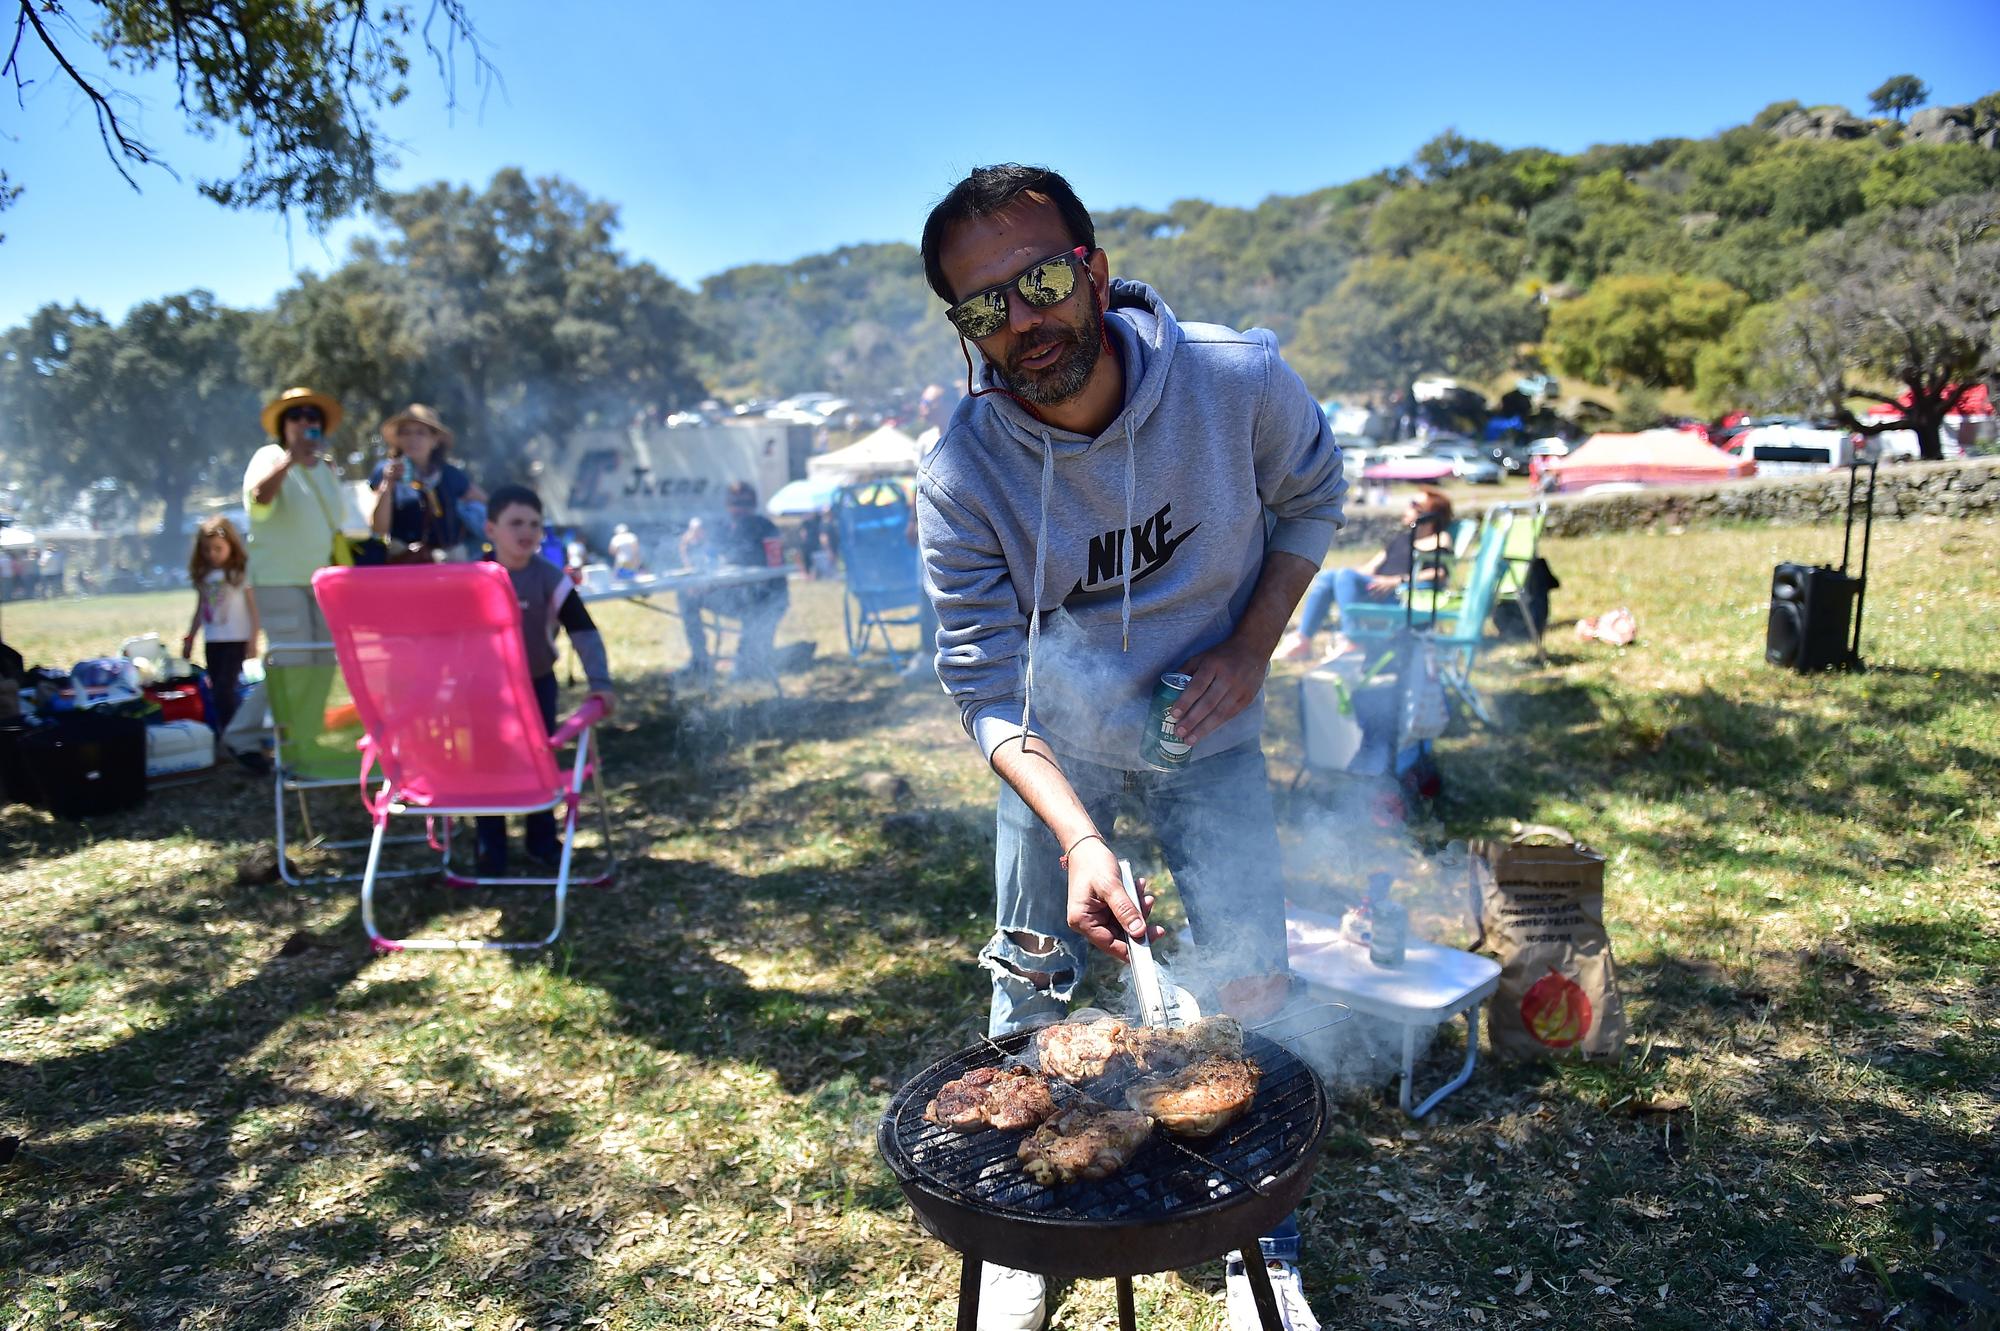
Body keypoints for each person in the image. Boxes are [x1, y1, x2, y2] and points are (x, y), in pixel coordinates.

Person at [915, 164, 1345, 1331]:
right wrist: (1081, 834)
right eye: (982, 305)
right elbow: (983, 686)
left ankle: (1264, 1227)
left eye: (1040, 278)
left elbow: (1312, 495)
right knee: (1027, 974)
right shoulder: (961, 471)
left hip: (1210, 717)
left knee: (1252, 965)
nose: (1021, 319)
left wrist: (1251, 649)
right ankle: (1022, 1224)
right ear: (962, 330)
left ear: (1093, 269)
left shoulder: (1232, 379)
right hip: (1061, 746)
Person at [477, 484, 616, 876]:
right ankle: (490, 849)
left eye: (535, 524)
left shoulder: (550, 579)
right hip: (482, 693)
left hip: (536, 684)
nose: (526, 531)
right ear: (491, 529)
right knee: (487, 769)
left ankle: (542, 842)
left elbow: (584, 632)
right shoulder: (472, 576)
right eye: (515, 522)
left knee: (537, 761)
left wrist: (600, 682)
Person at [243, 386, 350, 769]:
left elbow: (339, 522)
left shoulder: (324, 469)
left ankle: (303, 738)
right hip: (278, 580)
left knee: (323, 662)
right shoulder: (269, 457)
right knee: (293, 660)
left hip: (320, 582)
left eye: (313, 418)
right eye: (297, 416)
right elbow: (259, 501)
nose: (307, 423)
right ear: (283, 425)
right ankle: (245, 737)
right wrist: (290, 460)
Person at [1273, 486, 1455, 662]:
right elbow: (1370, 568)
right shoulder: (1402, 539)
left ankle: (1353, 640)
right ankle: (1303, 639)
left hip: (1401, 596)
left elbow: (1440, 573)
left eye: (1415, 505)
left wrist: (1395, 581)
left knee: (1344, 576)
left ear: (1430, 516)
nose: (1408, 508)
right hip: (1377, 589)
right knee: (1330, 576)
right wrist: (1343, 576)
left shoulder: (1439, 539)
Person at [675, 481, 788, 683]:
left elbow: (776, 569)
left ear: (753, 505)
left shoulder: (765, 528)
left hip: (764, 598)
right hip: (733, 596)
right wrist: (688, 543)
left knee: (752, 597)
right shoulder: (723, 529)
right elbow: (704, 562)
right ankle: (700, 661)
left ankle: (747, 663)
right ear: (727, 504)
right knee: (686, 594)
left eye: (745, 502)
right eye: (735, 502)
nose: (740, 508)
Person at [369, 403, 484, 562]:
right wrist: (388, 484)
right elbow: (379, 529)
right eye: (406, 432)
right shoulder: (385, 471)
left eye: (420, 433)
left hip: (449, 564)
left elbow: (488, 506)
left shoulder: (451, 474)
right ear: (398, 439)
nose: (412, 439)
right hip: (404, 564)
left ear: (435, 440)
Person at [180, 516, 259, 736]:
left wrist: (253, 640)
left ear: (230, 546)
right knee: (217, 690)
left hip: (236, 640)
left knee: (226, 689)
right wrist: (190, 638)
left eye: (218, 548)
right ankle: (227, 732)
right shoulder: (205, 577)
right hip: (213, 640)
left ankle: (236, 734)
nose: (212, 554)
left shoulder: (239, 574)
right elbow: (200, 609)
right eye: (207, 550)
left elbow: (253, 609)